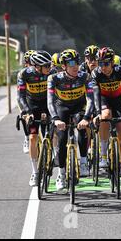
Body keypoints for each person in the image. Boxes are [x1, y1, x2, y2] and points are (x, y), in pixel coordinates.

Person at [47, 49, 94, 191]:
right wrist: (55, 119)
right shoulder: (54, 79)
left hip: (79, 107)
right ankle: (61, 174)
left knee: (82, 127)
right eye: (71, 63)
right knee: (61, 139)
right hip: (62, 108)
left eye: (77, 63)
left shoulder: (85, 77)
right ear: (63, 66)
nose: (75, 66)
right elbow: (50, 101)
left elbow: (91, 100)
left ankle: (84, 161)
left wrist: (86, 118)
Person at [91, 47, 121, 180]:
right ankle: (103, 155)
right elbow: (95, 94)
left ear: (112, 62)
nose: (103, 67)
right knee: (105, 116)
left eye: (106, 63)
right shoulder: (96, 73)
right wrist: (97, 113)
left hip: (119, 99)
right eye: (100, 63)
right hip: (104, 98)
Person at [17, 51, 53, 186]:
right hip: (32, 106)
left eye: (50, 65)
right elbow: (20, 96)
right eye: (46, 65)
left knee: (52, 133)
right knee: (33, 137)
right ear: (37, 66)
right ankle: (35, 172)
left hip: (48, 104)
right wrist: (27, 111)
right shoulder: (24, 74)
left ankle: (54, 153)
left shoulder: (52, 72)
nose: (49, 68)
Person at [20, 50, 36, 154]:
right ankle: (26, 138)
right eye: (30, 63)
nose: (32, 65)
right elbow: (20, 96)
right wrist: (25, 110)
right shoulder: (23, 74)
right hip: (25, 99)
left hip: (35, 99)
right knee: (24, 115)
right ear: (26, 63)